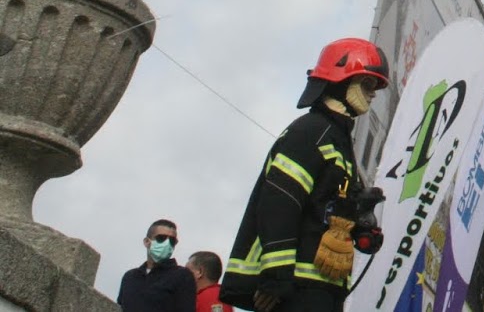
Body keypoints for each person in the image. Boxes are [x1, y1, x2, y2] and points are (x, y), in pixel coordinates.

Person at [219, 38, 389, 312]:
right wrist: (276, 276)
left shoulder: (339, 141)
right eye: (368, 84)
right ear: (341, 79)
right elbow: (280, 202)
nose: (372, 95)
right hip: (296, 288)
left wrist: (360, 224)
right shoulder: (310, 132)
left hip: (326, 286)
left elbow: (324, 207)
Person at [118, 219, 196, 312]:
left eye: (172, 241)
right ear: (147, 242)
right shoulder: (130, 277)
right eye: (161, 238)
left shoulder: (182, 276)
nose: (167, 244)